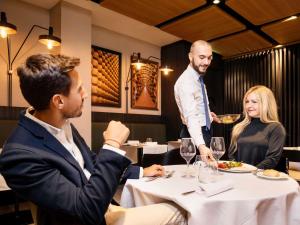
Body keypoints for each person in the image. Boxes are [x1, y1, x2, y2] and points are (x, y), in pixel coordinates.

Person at [0, 54, 187, 225]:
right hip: (92, 217)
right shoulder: (19, 155)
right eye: (79, 89)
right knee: (181, 211)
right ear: (59, 101)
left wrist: (140, 172)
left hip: (104, 204)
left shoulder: (61, 123)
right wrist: (112, 145)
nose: (86, 94)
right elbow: (86, 212)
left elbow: (92, 163)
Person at [174, 40, 219, 158]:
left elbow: (197, 107)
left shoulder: (198, 79)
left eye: (209, 58)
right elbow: (191, 117)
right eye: (202, 57)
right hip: (193, 134)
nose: (206, 62)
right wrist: (201, 145)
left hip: (205, 130)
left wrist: (208, 115)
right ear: (190, 56)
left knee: (206, 172)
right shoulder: (186, 82)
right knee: (194, 172)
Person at [228, 85, 286, 169]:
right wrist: (236, 170)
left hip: (262, 178)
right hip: (239, 176)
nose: (248, 105)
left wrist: (251, 172)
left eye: (254, 102)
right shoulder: (239, 127)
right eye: (247, 102)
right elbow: (231, 154)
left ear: (266, 103)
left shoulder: (276, 128)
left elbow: (272, 159)